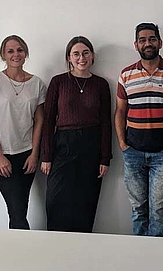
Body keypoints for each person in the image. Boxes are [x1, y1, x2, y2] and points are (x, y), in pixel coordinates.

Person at [115, 23, 163, 237]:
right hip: (133, 154)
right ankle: (140, 260)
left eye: (151, 39)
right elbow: (120, 111)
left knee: (158, 212)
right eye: (142, 40)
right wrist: (122, 144)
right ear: (136, 44)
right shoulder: (126, 74)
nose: (147, 43)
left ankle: (157, 263)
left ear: (159, 42)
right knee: (138, 211)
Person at [41, 36, 112, 233]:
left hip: (91, 146)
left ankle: (82, 255)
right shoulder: (58, 82)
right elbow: (48, 120)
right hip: (62, 145)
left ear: (92, 56)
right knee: (56, 202)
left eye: (85, 53)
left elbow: (106, 123)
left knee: (85, 205)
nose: (81, 58)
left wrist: (105, 158)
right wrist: (46, 156)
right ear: (69, 58)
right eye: (76, 54)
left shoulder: (101, 84)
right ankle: (56, 249)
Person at [0, 35, 46, 230]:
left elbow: (39, 120)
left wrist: (35, 154)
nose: (15, 54)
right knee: (16, 209)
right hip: (0, 156)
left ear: (25, 53)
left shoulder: (37, 84)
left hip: (26, 155)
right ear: (3, 55)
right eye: (10, 51)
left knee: (19, 208)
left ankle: (16, 250)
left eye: (19, 50)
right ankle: (22, 251)